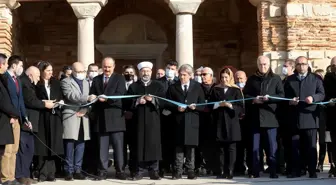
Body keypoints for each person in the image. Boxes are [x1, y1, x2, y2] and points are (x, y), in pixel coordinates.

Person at [243, 56, 284, 178]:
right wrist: (253, 100)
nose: (263, 67)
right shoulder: (251, 79)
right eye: (261, 64)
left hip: (270, 117)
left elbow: (281, 95)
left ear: (269, 64)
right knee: (255, 148)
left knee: (272, 147)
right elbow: (245, 95)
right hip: (255, 118)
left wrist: (269, 98)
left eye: (265, 64)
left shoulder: (276, 78)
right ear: (257, 65)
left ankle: (273, 171)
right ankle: (255, 171)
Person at [284, 56, 325, 178]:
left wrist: (313, 98)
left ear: (308, 65)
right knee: (295, 146)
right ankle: (297, 170)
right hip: (295, 117)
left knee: (311, 146)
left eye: (304, 64)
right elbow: (284, 96)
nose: (301, 66)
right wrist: (290, 102)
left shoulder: (315, 78)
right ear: (295, 66)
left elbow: (322, 94)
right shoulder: (290, 79)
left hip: (310, 117)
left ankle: (312, 171)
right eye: (299, 64)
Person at [90, 57, 127, 180]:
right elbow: (93, 94)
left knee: (119, 147)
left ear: (114, 66)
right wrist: (92, 98)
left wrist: (107, 98)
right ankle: (102, 171)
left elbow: (121, 94)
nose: (107, 69)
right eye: (105, 66)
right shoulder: (96, 79)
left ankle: (120, 171)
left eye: (109, 67)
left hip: (115, 118)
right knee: (102, 147)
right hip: (101, 119)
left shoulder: (119, 78)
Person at [126, 61, 165, 180]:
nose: (145, 73)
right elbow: (127, 102)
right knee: (139, 145)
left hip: (154, 120)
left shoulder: (158, 86)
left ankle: (154, 171)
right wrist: (137, 101)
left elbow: (164, 102)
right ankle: (139, 171)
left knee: (154, 145)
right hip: (138, 122)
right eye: (143, 71)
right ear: (139, 72)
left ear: (151, 72)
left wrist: (152, 100)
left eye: (147, 71)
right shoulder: (133, 86)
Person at [166, 64, 205, 180]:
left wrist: (196, 107)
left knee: (190, 148)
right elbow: (168, 103)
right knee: (179, 147)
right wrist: (176, 108)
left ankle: (190, 170)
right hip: (178, 121)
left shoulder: (197, 87)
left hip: (192, 121)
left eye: (184, 75)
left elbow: (202, 104)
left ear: (190, 76)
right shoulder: (173, 87)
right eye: (180, 75)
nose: (182, 77)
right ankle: (177, 170)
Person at [61, 62, 97, 180]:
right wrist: (86, 98)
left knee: (81, 144)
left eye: (83, 71)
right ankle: (68, 170)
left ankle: (78, 169)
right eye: (78, 72)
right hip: (71, 116)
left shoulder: (87, 82)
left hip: (84, 116)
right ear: (73, 71)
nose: (81, 74)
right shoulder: (66, 81)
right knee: (70, 144)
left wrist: (86, 109)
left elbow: (91, 100)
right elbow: (71, 95)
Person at [19, 66, 55, 185]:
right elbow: (30, 101)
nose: (39, 78)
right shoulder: (24, 83)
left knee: (29, 150)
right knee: (24, 151)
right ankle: (22, 176)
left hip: (32, 122)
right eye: (37, 75)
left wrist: (44, 102)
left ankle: (26, 175)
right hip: (26, 122)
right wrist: (45, 104)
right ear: (30, 75)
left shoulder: (30, 84)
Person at [210, 67, 243, 179]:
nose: (224, 79)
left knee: (231, 148)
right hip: (219, 122)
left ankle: (230, 170)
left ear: (230, 78)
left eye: (226, 77)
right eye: (222, 77)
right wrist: (218, 104)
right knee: (220, 148)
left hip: (231, 122)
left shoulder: (236, 90)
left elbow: (241, 107)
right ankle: (221, 171)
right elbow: (209, 105)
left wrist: (230, 105)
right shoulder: (215, 89)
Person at [34, 61, 64, 182]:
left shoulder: (56, 83)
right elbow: (34, 99)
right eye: (48, 70)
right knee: (42, 145)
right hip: (42, 117)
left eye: (52, 70)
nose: (51, 73)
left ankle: (51, 172)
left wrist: (59, 102)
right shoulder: (36, 84)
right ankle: (41, 172)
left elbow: (61, 97)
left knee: (53, 145)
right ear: (41, 71)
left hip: (54, 117)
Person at [0, 54, 20, 185]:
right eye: (5, 63)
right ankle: (5, 177)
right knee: (6, 151)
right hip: (4, 119)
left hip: (10, 117)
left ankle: (11, 177)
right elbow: (3, 102)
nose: (7, 66)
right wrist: (14, 114)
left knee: (13, 150)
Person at [157, 60, 179, 177]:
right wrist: (163, 109)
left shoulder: (178, 82)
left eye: (173, 68)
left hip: (175, 116)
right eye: (168, 68)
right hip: (162, 116)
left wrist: (172, 109)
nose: (170, 70)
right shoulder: (159, 82)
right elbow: (157, 97)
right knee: (162, 143)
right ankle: (163, 166)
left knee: (174, 143)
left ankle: (174, 166)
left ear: (176, 70)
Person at [195, 67, 216, 176]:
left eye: (204, 74)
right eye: (201, 75)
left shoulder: (216, 87)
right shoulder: (197, 87)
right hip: (200, 119)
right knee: (200, 145)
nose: (202, 77)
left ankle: (212, 166)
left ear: (211, 76)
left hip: (214, 120)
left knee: (212, 145)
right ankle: (199, 166)